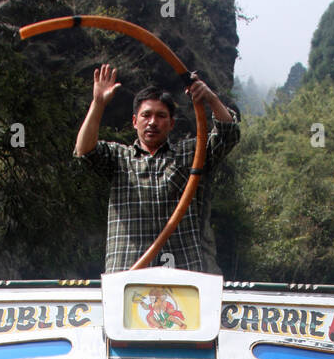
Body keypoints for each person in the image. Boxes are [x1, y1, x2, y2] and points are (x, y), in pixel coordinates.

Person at [74, 64, 240, 273]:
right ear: (135, 122)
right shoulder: (119, 157)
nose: (153, 122)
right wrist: (98, 103)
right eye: (146, 115)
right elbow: (84, 151)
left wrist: (210, 97)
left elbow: (228, 134)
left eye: (161, 116)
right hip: (127, 271)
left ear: (171, 124)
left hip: (181, 273)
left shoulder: (191, 154)